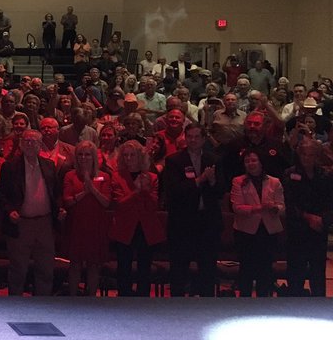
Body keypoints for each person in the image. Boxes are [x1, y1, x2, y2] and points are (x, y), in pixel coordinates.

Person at [160, 123, 223, 297]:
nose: (193, 140)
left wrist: (212, 182)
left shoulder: (214, 160)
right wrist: (199, 180)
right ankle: (177, 305)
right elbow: (174, 191)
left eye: (196, 137)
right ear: (185, 138)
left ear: (203, 139)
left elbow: (221, 191)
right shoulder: (174, 161)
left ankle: (206, 305)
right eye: (190, 137)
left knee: (207, 268)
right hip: (183, 223)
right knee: (179, 268)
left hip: (207, 223)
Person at [0, 129, 62, 296]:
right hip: (21, 224)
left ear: (40, 145)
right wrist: (10, 211)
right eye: (26, 141)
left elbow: (56, 193)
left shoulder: (49, 165)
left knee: (46, 269)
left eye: (33, 141)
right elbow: (1, 195)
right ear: (20, 144)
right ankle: (16, 305)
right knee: (18, 270)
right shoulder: (10, 167)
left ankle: (42, 305)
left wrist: (60, 209)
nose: (29, 144)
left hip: (44, 224)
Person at [110, 140, 163, 297]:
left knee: (144, 268)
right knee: (124, 267)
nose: (128, 159)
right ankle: (124, 299)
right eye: (125, 155)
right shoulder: (117, 177)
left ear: (140, 156)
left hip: (145, 228)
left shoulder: (152, 177)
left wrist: (145, 191)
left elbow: (154, 205)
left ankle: (143, 301)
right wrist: (137, 191)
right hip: (125, 227)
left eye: (132, 155)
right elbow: (120, 203)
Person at [60, 142, 113, 296]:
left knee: (94, 264)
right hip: (76, 224)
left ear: (94, 157)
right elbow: (68, 201)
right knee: (75, 264)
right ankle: (73, 298)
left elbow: (106, 202)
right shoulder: (70, 175)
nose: (83, 157)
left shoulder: (104, 176)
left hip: (96, 225)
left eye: (87, 154)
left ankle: (91, 298)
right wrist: (84, 192)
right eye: (80, 154)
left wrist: (92, 190)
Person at [230, 150, 285, 297]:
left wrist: (274, 208)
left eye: (254, 160)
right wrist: (259, 208)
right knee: (246, 268)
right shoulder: (238, 181)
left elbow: (282, 206)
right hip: (246, 232)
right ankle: (245, 301)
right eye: (247, 161)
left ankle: (263, 301)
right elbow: (237, 207)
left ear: (261, 162)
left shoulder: (274, 181)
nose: (251, 164)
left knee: (265, 269)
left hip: (268, 231)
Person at [282, 140, 332, 296]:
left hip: (319, 229)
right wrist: (308, 217)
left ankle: (319, 307)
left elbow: (331, 202)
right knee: (296, 273)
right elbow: (288, 203)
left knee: (318, 273)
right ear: (299, 154)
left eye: (311, 155)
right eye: (304, 154)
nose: (307, 158)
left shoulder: (326, 175)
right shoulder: (290, 174)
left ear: (316, 156)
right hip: (297, 230)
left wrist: (323, 219)